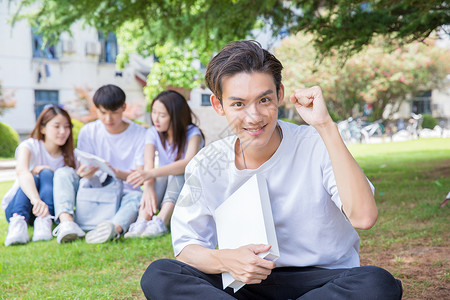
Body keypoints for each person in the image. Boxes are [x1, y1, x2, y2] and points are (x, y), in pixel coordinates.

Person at [140, 41, 403, 299]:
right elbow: (187, 247)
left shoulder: (316, 143)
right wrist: (226, 260)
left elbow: (364, 217)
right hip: (247, 281)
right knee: (160, 274)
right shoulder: (206, 163)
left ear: (279, 94)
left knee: (377, 283)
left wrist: (325, 126)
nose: (254, 117)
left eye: (264, 99)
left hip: (321, 279)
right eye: (238, 104)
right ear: (219, 105)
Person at [52, 84, 146, 244]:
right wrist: (85, 172)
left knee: (138, 196)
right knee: (63, 173)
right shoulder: (88, 131)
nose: (108, 119)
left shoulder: (140, 133)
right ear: (96, 109)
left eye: (114, 113)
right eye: (103, 113)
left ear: (124, 107)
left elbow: (140, 176)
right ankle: (67, 223)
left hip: (124, 191)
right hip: (93, 187)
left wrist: (114, 171)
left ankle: (113, 228)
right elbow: (83, 168)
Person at [125, 90, 204, 238]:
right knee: (159, 176)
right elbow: (148, 165)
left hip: (189, 187)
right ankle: (142, 219)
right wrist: (148, 187)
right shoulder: (152, 133)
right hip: (163, 185)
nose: (156, 119)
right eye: (154, 112)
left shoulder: (193, 133)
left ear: (176, 117)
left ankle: (161, 220)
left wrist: (150, 174)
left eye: (162, 115)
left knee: (177, 173)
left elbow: (188, 163)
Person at [2, 106, 76, 246]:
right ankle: (18, 224)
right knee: (35, 176)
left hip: (50, 211)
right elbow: (22, 172)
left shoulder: (71, 156)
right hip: (19, 208)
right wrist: (36, 200)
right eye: (57, 126)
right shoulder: (29, 146)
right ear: (42, 128)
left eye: (67, 127)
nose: (63, 132)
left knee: (47, 173)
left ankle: (44, 220)